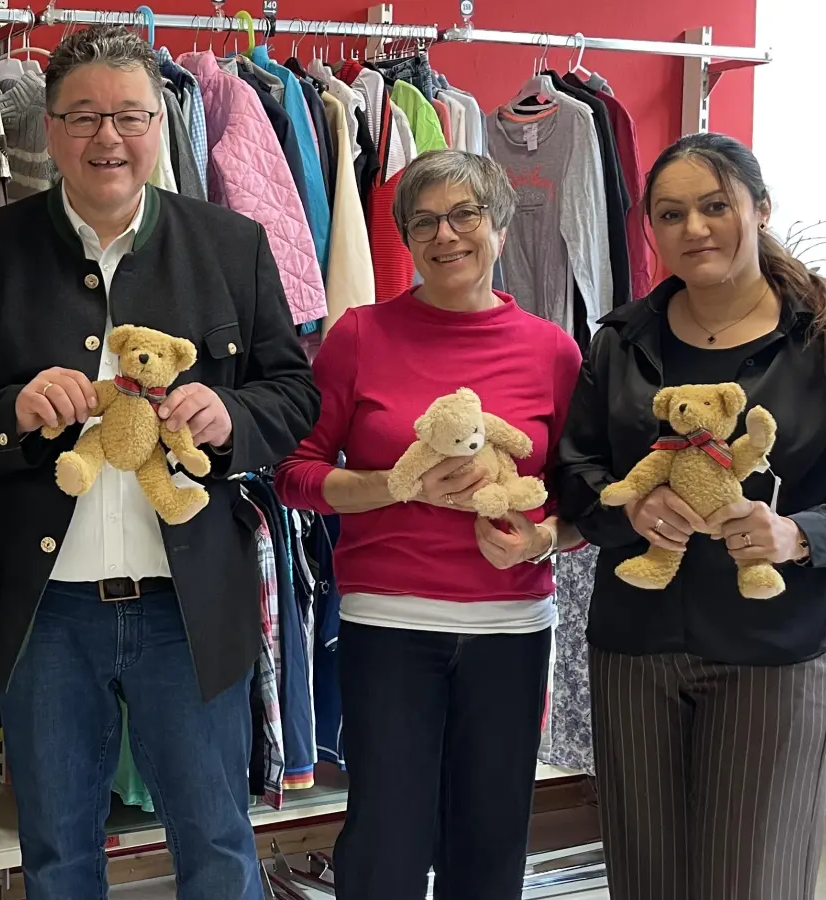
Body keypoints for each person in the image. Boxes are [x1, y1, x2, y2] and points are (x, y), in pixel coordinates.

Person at [0, 24, 319, 900]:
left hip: (189, 606)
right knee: (57, 853)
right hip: (43, 613)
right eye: (83, 117)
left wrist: (231, 413)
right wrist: (7, 412)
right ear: (48, 130)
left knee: (218, 845)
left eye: (129, 115)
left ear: (162, 124)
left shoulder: (232, 243)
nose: (107, 139)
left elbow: (293, 392)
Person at [556, 132, 826, 900]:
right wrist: (631, 507)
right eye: (671, 214)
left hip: (772, 654)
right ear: (651, 229)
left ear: (760, 209)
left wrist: (802, 534)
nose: (694, 228)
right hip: (635, 649)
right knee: (645, 881)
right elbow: (575, 475)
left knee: (751, 882)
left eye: (715, 206)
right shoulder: (621, 343)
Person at [276, 149, 584, 899]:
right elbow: (295, 475)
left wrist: (542, 538)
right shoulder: (359, 336)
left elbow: (588, 499)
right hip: (388, 627)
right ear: (407, 241)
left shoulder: (553, 350)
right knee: (386, 837)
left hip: (510, 628)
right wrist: (396, 486)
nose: (446, 236)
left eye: (465, 215)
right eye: (425, 221)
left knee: (491, 835)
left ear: (500, 229)